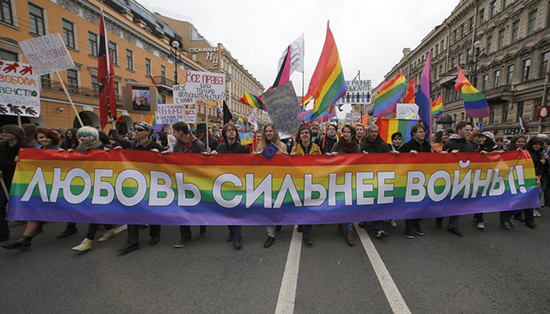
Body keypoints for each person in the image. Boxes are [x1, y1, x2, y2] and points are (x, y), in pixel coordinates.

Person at [117, 122, 165, 254]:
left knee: (152, 209)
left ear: (147, 132)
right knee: (131, 210)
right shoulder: (132, 146)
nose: (135, 132)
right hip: (135, 184)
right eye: (135, 129)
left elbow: (167, 162)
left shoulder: (154, 147)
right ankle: (132, 241)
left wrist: (160, 154)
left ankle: (155, 234)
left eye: (139, 129)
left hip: (152, 183)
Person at [70, 127, 117, 252]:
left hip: (102, 183)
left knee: (95, 209)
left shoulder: (103, 148)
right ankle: (109, 230)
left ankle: (88, 240)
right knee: (96, 208)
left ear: (93, 137)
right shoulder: (78, 149)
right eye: (80, 136)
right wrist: (68, 154)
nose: (81, 138)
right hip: (86, 182)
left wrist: (110, 152)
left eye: (85, 136)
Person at [168, 121, 207, 248]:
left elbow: (204, 164)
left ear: (180, 132)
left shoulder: (197, 145)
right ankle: (185, 237)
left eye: (174, 131)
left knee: (198, 206)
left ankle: (202, 223)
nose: (173, 134)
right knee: (182, 207)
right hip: (181, 181)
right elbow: (175, 158)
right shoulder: (178, 144)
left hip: (195, 182)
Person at [210, 123, 249, 250]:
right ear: (225, 134)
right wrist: (212, 155)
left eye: (233, 130)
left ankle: (237, 237)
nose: (231, 132)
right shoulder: (220, 148)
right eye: (229, 130)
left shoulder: (242, 147)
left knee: (236, 211)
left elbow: (249, 163)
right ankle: (231, 232)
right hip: (224, 183)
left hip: (238, 183)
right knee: (226, 209)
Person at [439, 121, 475, 237]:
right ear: (459, 130)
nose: (469, 132)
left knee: (457, 202)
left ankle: (453, 225)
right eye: (467, 130)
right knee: (445, 201)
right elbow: (441, 161)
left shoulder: (470, 145)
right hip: (450, 177)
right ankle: (439, 216)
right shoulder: (450, 143)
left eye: (470, 130)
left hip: (463, 178)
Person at [360, 124, 397, 239]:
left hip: (380, 178)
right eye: (372, 131)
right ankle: (364, 219)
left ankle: (378, 228)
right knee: (366, 201)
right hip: (365, 178)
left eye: (376, 132)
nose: (374, 134)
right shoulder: (362, 145)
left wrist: (393, 155)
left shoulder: (384, 146)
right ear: (368, 132)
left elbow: (389, 160)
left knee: (378, 203)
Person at [327, 124, 361, 246]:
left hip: (351, 179)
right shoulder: (338, 145)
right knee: (340, 203)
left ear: (352, 134)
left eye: (347, 132)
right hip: (339, 179)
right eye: (344, 132)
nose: (345, 134)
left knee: (349, 204)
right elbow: (329, 160)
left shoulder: (357, 147)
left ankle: (349, 230)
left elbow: (360, 163)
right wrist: (332, 156)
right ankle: (340, 223)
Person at [256, 123, 287, 248]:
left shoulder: (282, 146)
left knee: (279, 206)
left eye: (271, 131)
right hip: (266, 181)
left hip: (279, 180)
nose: (269, 133)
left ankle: (278, 221)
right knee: (268, 207)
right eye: (266, 131)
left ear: (275, 132)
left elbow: (286, 164)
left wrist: (285, 157)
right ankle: (271, 235)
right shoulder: (261, 145)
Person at [290, 124, 322, 246]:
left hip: (311, 181)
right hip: (299, 181)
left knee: (308, 205)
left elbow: (322, 163)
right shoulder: (295, 148)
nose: (304, 135)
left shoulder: (317, 148)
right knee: (300, 204)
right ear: (299, 135)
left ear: (310, 135)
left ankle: (307, 234)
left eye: (306, 133)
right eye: (302, 133)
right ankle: (301, 222)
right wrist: (291, 157)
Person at [399, 123, 431, 239]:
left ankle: (417, 222)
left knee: (422, 203)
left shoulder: (427, 145)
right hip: (410, 179)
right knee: (411, 203)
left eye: (424, 132)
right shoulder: (407, 146)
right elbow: (398, 159)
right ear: (414, 133)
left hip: (425, 177)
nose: (423, 134)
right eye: (420, 132)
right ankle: (409, 226)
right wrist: (408, 155)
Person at [0, 125, 27, 242]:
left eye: (6, 132)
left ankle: (36, 224)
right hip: (3, 179)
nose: (3, 134)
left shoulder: (24, 148)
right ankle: (3, 233)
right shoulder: (2, 147)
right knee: (0, 206)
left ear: (15, 133)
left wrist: (20, 161)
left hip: (19, 179)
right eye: (2, 132)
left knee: (25, 204)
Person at [472, 131, 502, 230]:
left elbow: (499, 161)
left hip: (490, 175)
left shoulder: (495, 148)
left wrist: (490, 155)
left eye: (482, 137)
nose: (480, 139)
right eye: (479, 137)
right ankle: (479, 218)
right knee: (480, 196)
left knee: (483, 197)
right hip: (478, 175)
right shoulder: (477, 147)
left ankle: (478, 216)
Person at [500, 135, 527, 229]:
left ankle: (510, 217)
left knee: (519, 201)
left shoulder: (526, 153)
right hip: (509, 179)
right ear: (514, 142)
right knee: (507, 201)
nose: (521, 144)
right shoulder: (508, 152)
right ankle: (504, 220)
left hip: (521, 180)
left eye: (523, 142)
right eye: (519, 142)